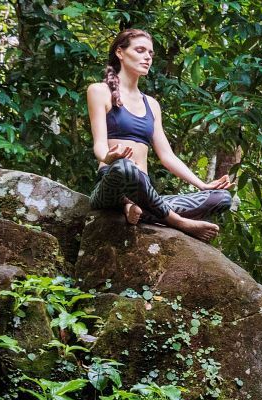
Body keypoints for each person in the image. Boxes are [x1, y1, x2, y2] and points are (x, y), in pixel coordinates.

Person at [85, 28, 234, 242]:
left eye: (150, 53)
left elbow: (167, 156)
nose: (147, 57)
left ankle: (136, 209)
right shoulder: (99, 91)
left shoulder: (151, 105)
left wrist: (202, 184)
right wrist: (108, 157)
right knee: (126, 167)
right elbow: (99, 144)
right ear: (120, 52)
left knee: (221, 198)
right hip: (112, 186)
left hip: (143, 192)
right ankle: (179, 222)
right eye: (140, 50)